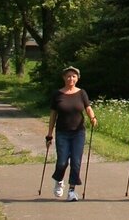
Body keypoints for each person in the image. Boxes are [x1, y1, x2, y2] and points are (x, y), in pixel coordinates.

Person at [46, 66, 97, 202]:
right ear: (64, 78)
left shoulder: (81, 93)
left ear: (77, 78)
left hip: (78, 133)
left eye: (74, 76)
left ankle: (72, 191)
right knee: (62, 162)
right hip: (62, 132)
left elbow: (88, 108)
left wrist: (93, 118)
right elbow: (53, 116)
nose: (71, 79)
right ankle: (59, 180)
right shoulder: (58, 94)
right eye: (68, 76)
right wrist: (49, 135)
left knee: (76, 162)